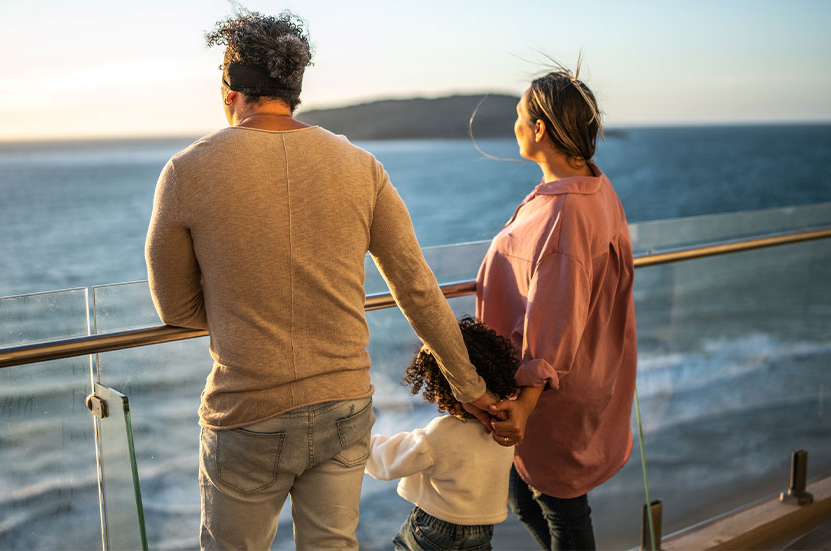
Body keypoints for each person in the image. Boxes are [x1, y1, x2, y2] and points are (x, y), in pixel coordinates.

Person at [144, 10, 496, 550]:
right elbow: (417, 288)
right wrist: (469, 387)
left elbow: (175, 309)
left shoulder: (187, 170)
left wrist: (244, 307)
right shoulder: (361, 166)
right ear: (294, 88)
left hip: (247, 411)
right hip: (344, 405)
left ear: (230, 89)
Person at [474, 64, 637, 550]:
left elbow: (556, 315)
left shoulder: (566, 210)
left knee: (559, 506)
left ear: (540, 129)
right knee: (532, 497)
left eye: (520, 116)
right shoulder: (594, 186)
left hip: (551, 393)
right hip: (582, 373)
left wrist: (524, 405)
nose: (516, 125)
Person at [366, 317, 520, 551]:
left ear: (443, 388)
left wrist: (358, 443)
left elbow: (389, 461)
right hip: (481, 533)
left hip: (435, 528)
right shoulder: (504, 427)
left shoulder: (442, 432)